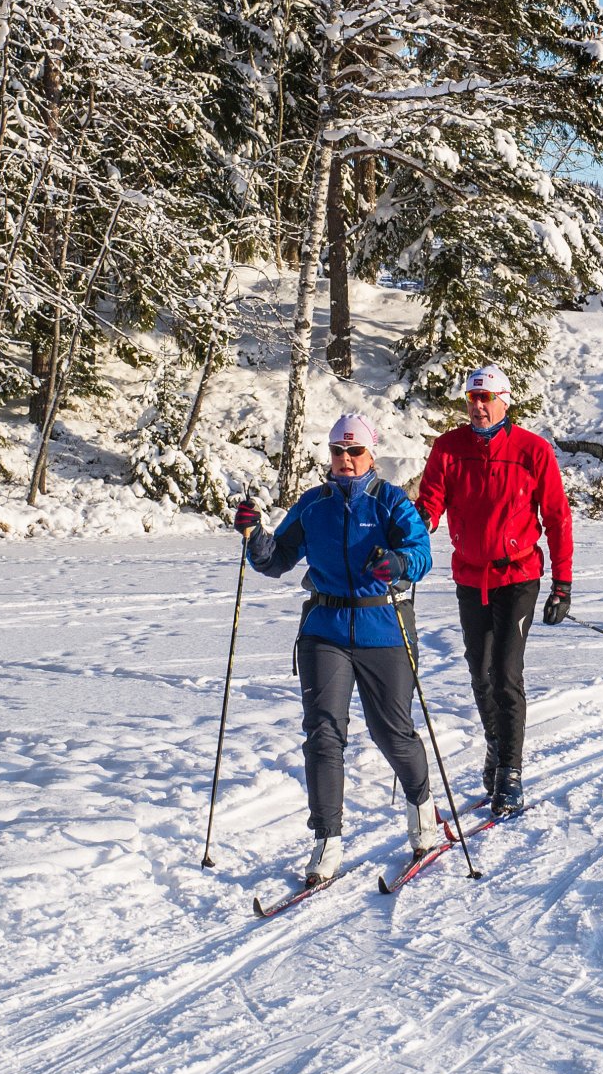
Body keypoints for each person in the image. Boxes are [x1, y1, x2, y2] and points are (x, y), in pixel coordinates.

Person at [234, 414, 436, 887]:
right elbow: (276, 560)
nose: (346, 460)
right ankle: (327, 840)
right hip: (324, 631)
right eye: (338, 452)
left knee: (393, 733)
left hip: (383, 629)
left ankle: (422, 810)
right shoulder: (314, 504)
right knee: (324, 734)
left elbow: (420, 557)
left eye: (355, 452)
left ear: (371, 454)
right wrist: (254, 535)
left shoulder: (390, 502)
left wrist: (397, 561)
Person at [415, 365, 573, 818]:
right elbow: (430, 504)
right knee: (479, 672)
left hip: (519, 576)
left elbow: (557, 518)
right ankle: (495, 743)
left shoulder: (532, 450)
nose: (478, 407)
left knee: (505, 674)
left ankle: (510, 772)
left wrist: (562, 584)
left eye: (486, 399)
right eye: (472, 399)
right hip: (470, 577)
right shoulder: (449, 448)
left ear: (505, 401)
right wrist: (409, 536)